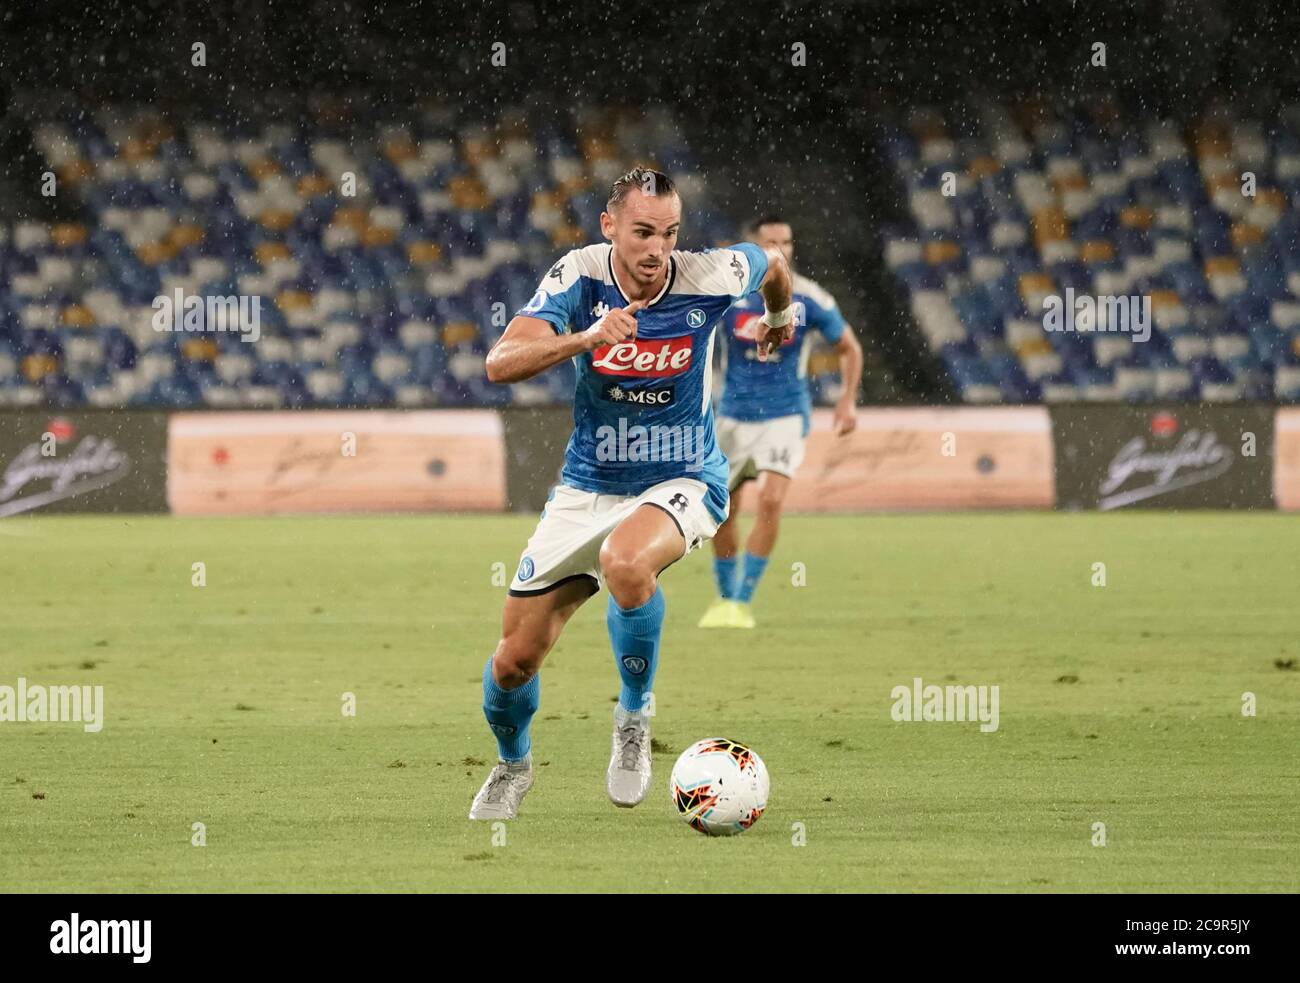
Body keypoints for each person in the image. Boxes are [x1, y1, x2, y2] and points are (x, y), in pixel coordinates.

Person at [468, 167, 793, 819]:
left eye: (669, 233)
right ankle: (513, 765)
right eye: (643, 231)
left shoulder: (708, 275)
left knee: (625, 560)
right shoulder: (579, 275)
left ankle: (633, 716)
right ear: (610, 225)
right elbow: (499, 362)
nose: (657, 249)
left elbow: (773, 263)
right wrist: (587, 338)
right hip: (588, 483)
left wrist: (779, 316)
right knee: (511, 662)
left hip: (683, 474)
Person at [698, 216, 863, 629]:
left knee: (771, 500)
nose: (780, 250)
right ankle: (724, 598)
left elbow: (849, 347)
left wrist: (846, 400)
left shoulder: (808, 299)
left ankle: (741, 601)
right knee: (722, 511)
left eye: (786, 242)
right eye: (770, 242)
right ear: (755, 248)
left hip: (785, 415)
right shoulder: (729, 297)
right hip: (732, 415)